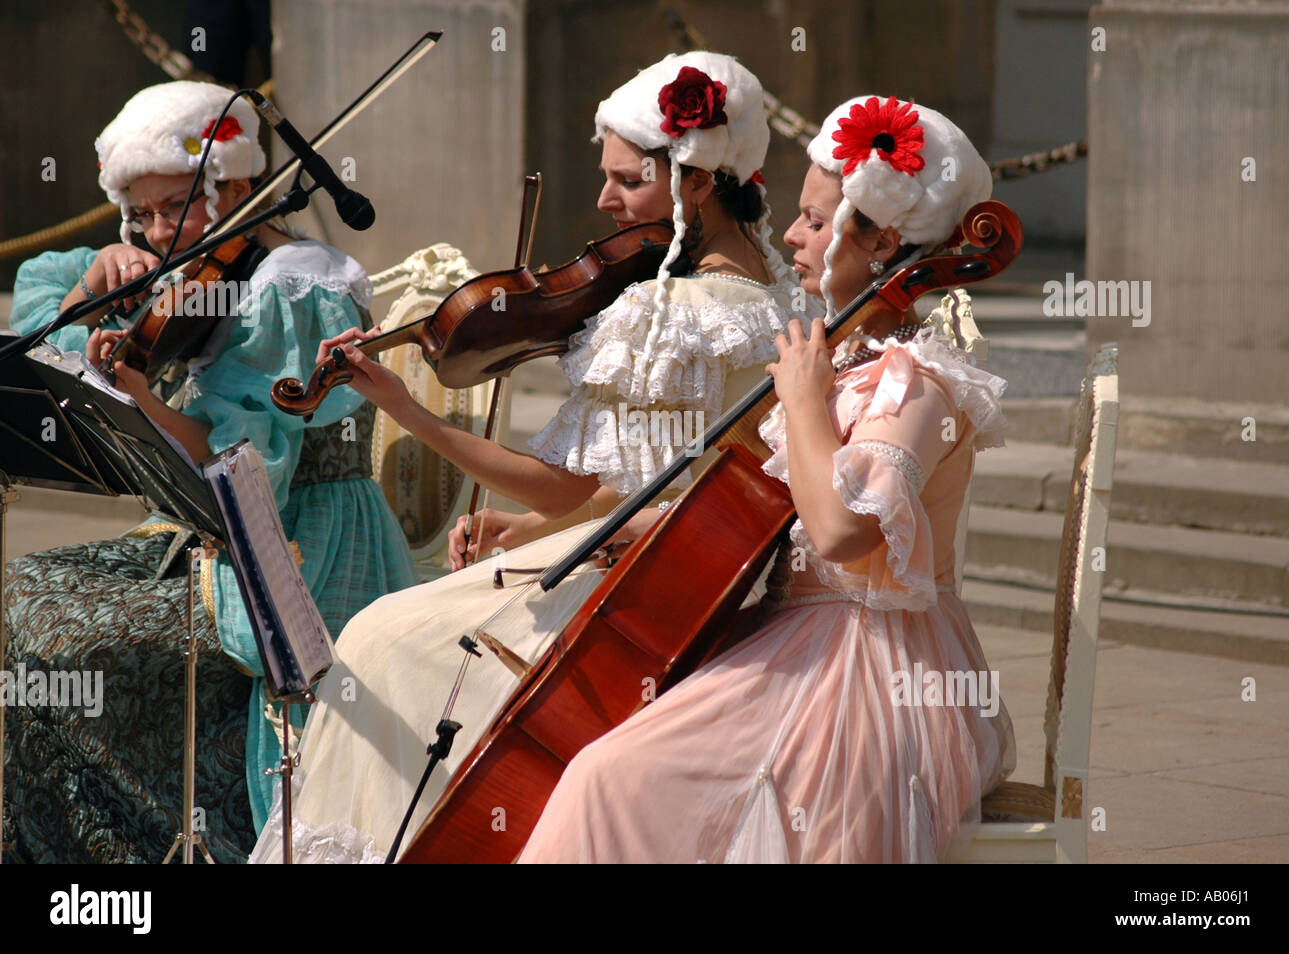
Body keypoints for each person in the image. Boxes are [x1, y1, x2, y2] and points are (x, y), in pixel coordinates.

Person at [248, 51, 807, 863]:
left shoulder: (669, 314)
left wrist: (407, 410)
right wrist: (513, 529)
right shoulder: (778, 287)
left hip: (650, 584)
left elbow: (565, 487)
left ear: (694, 184)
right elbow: (653, 475)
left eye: (629, 180)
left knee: (381, 641)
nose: (604, 200)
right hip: (706, 567)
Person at [517, 95, 1017, 863]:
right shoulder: (845, 360)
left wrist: (802, 402)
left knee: (606, 776)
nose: (790, 235)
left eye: (816, 222)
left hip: (866, 669)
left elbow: (843, 534)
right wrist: (595, 536)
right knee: (603, 754)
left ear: (883, 242)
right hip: (800, 636)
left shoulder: (916, 380)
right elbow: (760, 514)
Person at [2, 80, 416, 863]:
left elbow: (241, 460)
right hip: (217, 533)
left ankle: (188, 837)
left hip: (302, 545)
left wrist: (136, 400)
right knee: (24, 593)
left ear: (238, 189)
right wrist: (98, 276)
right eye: (143, 215)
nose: (160, 233)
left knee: (58, 632)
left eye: (176, 208)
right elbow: (39, 297)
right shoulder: (190, 279)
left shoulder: (291, 285)